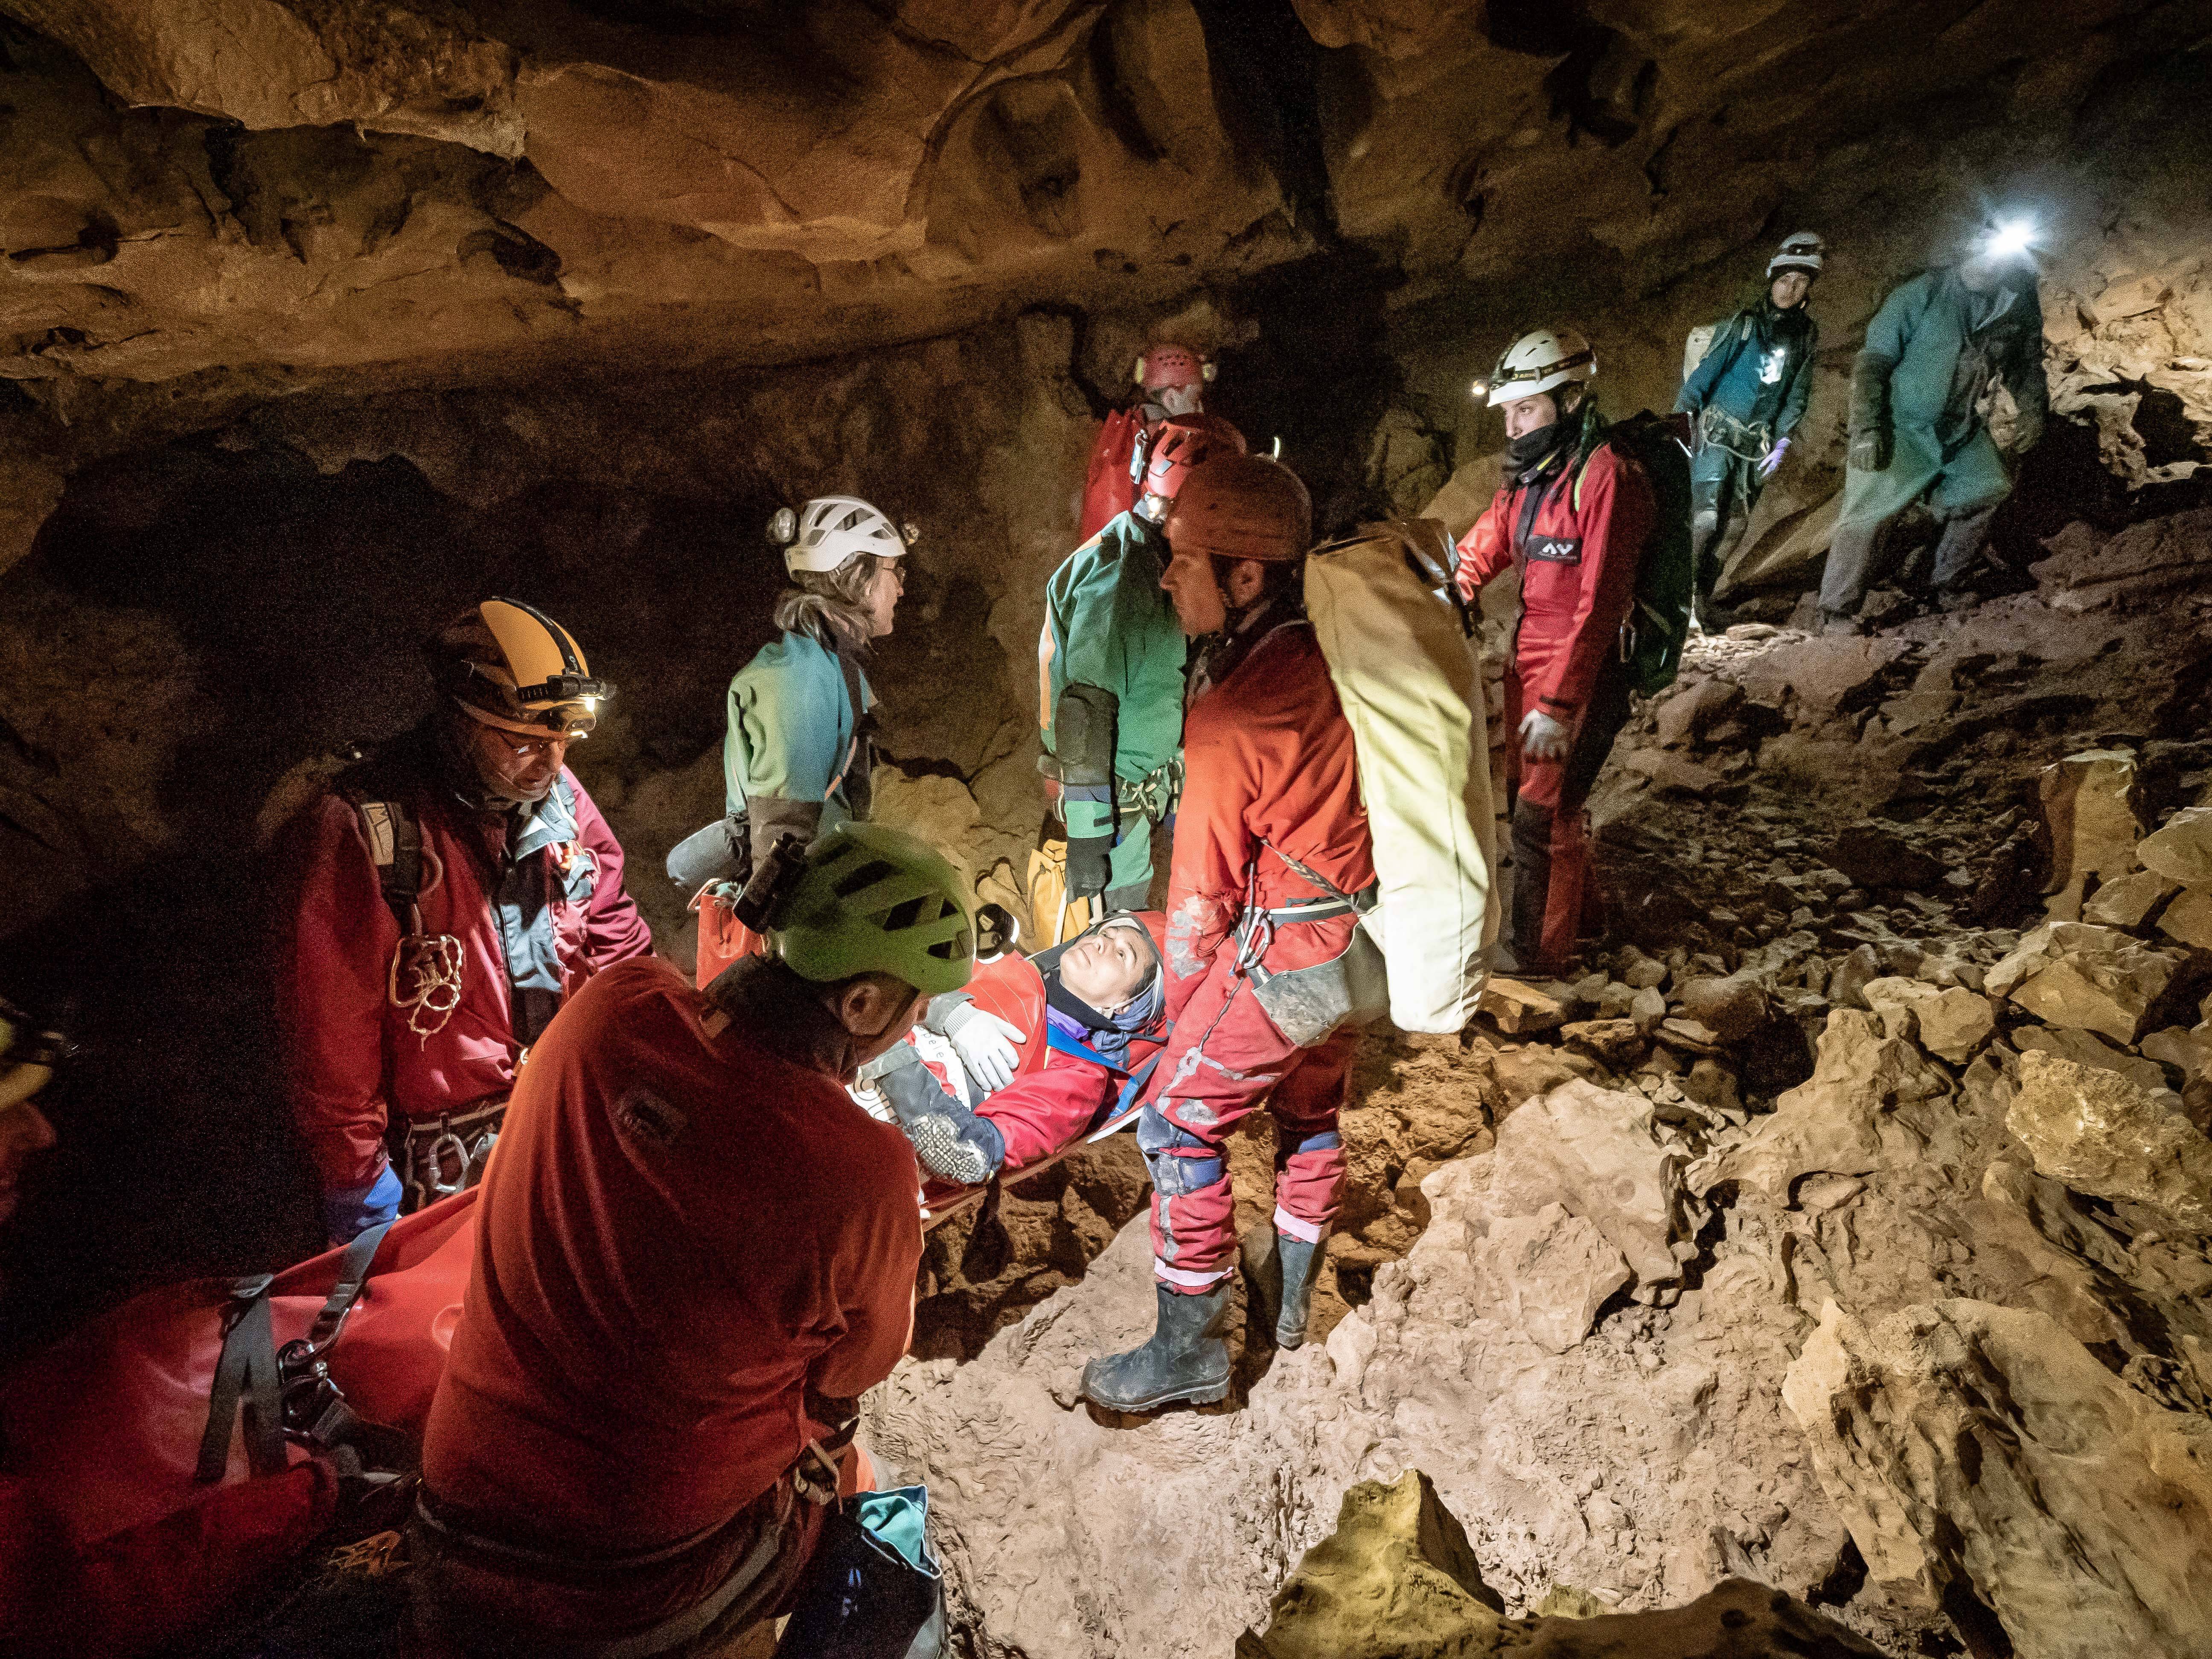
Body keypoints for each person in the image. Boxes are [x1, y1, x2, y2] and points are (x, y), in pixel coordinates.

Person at [410, 824, 972, 1657]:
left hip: (460, 1502)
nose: (915, 1027)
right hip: (628, 1579)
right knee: (877, 1510)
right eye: (916, 1007)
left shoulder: (616, 1005)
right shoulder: (865, 1170)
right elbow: (846, 1380)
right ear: (860, 1004)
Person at [1080, 454, 1375, 1415]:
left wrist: (1173, 1017)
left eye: (1184, 560)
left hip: (1294, 958)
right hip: (1368, 945)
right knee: (1306, 1113)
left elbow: (1201, 906)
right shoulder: (1331, 652)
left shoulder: (1229, 718)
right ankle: (1289, 1311)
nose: (1168, 579)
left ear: (1247, 575)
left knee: (1177, 1121)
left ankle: (1192, 1351)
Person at [274, 600, 652, 1247]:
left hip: (564, 1120)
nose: (551, 761)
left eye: (563, 740)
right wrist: (357, 1180)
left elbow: (615, 929)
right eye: (525, 740)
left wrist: (653, 1052)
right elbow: (331, 1034)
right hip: (441, 1163)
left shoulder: (559, 797)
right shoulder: (369, 830)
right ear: (459, 721)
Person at [1455, 328, 1658, 976]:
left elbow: (1598, 606)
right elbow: (1482, 549)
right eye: (1509, 412)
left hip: (1583, 674)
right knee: (1540, 806)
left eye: (1528, 409)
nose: (1514, 426)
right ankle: (1586, 925)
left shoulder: (1608, 478)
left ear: (1570, 401)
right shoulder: (1530, 479)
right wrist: (1447, 591)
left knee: (1543, 819)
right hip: (1528, 663)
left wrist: (1559, 706)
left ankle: (1538, 961)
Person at [1042, 413, 1246, 920]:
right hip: (1109, 796)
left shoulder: (1161, 562)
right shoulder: (1119, 576)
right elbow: (1085, 710)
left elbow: (1164, 689)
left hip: (1145, 784)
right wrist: (1090, 837)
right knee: (1114, 927)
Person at [1818, 221, 2049, 630]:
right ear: (1966, 250)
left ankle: (1948, 584)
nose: (1992, 264)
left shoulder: (2016, 302)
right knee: (1867, 516)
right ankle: (1837, 611)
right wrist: (1867, 428)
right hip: (1901, 426)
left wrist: (2033, 411)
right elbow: (1873, 364)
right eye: (1985, 251)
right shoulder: (1921, 294)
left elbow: (2025, 365)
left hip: (1958, 428)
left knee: (1988, 487)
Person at [858, 911, 1170, 1196]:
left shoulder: (1078, 1078)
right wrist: (945, 1010)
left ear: (1125, 1007)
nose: (1102, 942)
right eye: (1106, 932)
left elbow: (966, 1157)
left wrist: (881, 1041)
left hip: (859, 1151)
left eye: (1121, 953)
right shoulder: (999, 967)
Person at [724, 496, 910, 871]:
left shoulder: (829, 666)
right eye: (896, 572)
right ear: (859, 577)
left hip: (825, 882)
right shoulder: (801, 680)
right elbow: (781, 842)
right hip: (805, 909)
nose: (902, 589)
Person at [1675, 232, 1825, 623]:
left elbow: (1798, 392)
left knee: (1735, 527)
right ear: (1772, 280)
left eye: (1801, 283)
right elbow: (1702, 379)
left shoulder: (1806, 336)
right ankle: (1680, 599)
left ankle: (1703, 598)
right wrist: (1679, 427)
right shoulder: (1744, 325)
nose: (1791, 290)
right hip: (1715, 435)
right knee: (1705, 519)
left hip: (1754, 445)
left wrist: (1783, 441)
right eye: (1785, 280)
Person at [1078, 343, 1219, 539]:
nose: (1200, 405)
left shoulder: (1134, 428)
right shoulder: (1167, 440)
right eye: (1195, 398)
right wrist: (1188, 421)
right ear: (1171, 399)